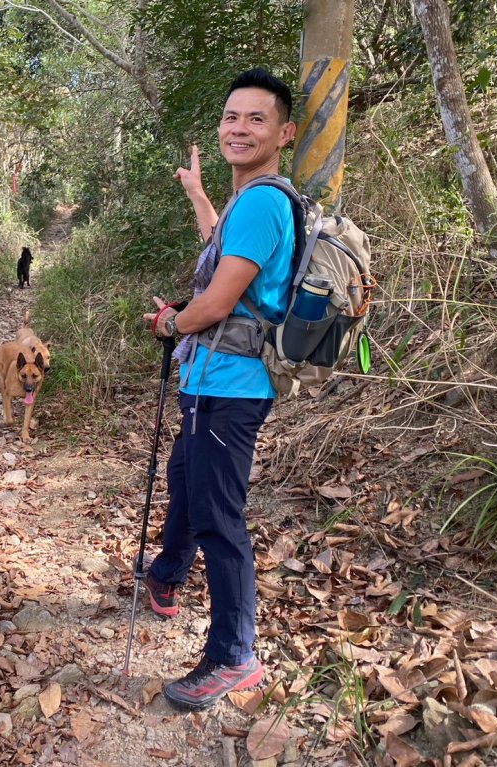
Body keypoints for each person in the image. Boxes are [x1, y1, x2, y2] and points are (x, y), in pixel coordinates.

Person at [141, 68, 297, 711]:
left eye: (256, 119)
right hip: (214, 383)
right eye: (232, 116)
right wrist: (198, 192)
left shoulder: (263, 201)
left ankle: (234, 655)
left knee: (218, 516)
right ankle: (165, 576)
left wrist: (173, 321)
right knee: (186, 478)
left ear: (283, 133)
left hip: (231, 387)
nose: (240, 127)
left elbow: (219, 300)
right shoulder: (248, 201)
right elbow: (219, 252)